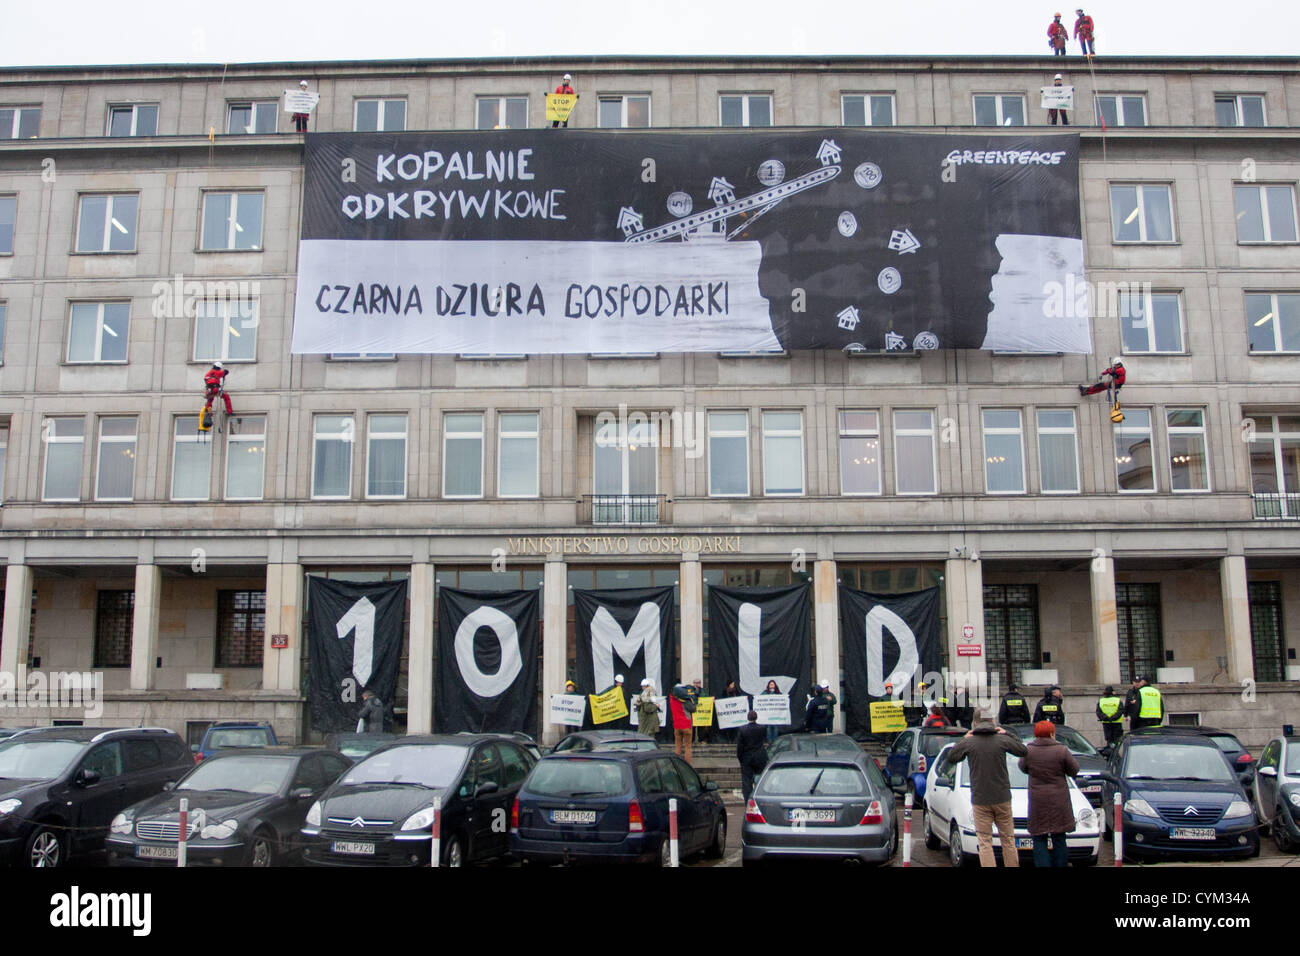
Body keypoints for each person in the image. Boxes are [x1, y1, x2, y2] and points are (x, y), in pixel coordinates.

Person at [942, 710, 1030, 867]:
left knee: (984, 841)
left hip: (980, 799)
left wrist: (964, 738)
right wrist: (1008, 733)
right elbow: (1023, 750)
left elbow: (952, 757)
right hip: (1002, 798)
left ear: (975, 723)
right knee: (1008, 840)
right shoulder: (1002, 739)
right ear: (993, 722)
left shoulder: (969, 742)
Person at [1019, 721, 1079, 867]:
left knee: (1039, 837)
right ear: (1052, 733)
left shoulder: (1029, 750)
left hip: (1037, 799)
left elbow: (1023, 767)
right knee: (1059, 837)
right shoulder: (1062, 750)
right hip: (1059, 799)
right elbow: (1074, 770)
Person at [736, 711, 768, 802]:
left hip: (747, 757)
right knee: (760, 779)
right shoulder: (762, 728)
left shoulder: (742, 729)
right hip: (759, 756)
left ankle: (748, 802)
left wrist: (740, 758)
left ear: (748, 718)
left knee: (746, 782)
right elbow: (763, 740)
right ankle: (760, 799)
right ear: (756, 718)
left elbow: (740, 746)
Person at [670, 681, 696, 762]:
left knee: (678, 747)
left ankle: (678, 765)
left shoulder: (671, 700)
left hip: (677, 726)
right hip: (686, 725)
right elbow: (693, 709)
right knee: (688, 747)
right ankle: (687, 765)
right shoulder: (685, 700)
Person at [761, 678, 784, 744]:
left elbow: (782, 699)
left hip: (775, 714)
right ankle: (769, 741)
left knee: (775, 727)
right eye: (770, 684)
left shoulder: (778, 693)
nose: (771, 685)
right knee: (768, 728)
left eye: (772, 684)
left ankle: (775, 741)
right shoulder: (765, 692)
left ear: (775, 685)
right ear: (768, 685)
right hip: (768, 714)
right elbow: (760, 699)